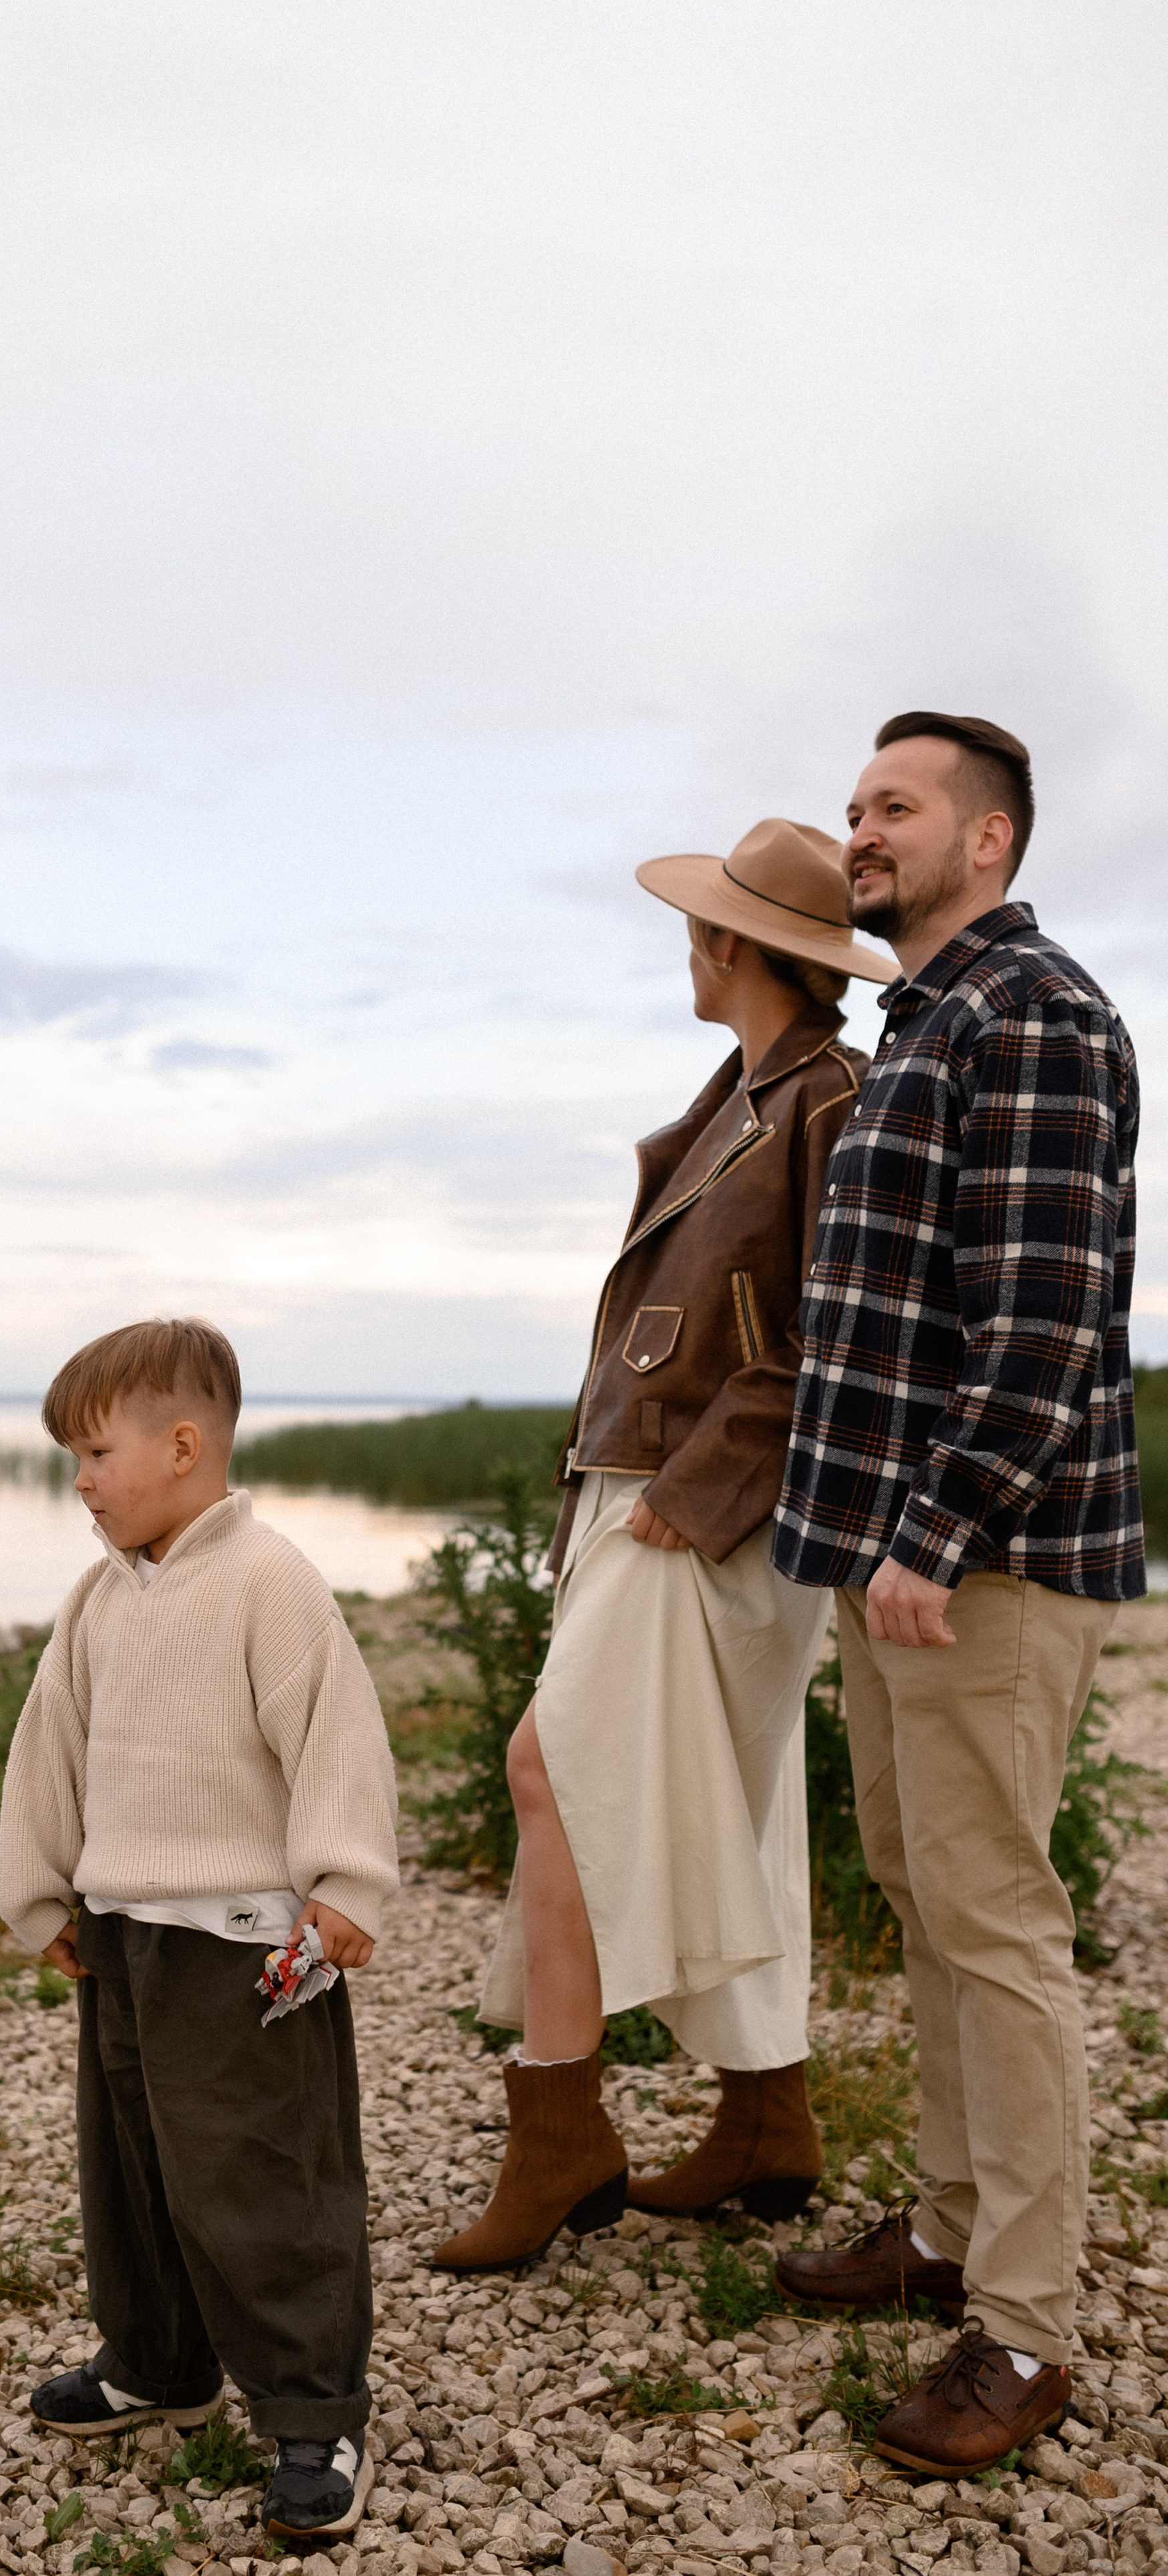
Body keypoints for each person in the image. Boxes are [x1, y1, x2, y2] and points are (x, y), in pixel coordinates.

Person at [433, 819, 890, 2274]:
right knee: (733, 1804)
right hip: (655, 1497)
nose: (682, 945)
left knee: (546, 1764)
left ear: (739, 948)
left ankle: (558, 2129)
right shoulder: (739, 1096)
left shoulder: (828, 1100)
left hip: (706, 1512)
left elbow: (835, 1338)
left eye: (701, 927)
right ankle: (766, 2115)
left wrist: (687, 1491)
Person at [772, 713, 1145, 2473]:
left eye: (894, 807)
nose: (864, 831)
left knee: (997, 1925)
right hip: (894, 1553)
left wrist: (934, 1527)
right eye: (854, 807)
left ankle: (1026, 2329)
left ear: (986, 838)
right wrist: (869, 1541)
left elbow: (1049, 1319)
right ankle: (941, 2224)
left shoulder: (1038, 1015)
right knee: (927, 1895)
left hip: (982, 1560)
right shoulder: (928, 1019)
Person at [0, 1317, 399, 2542]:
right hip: (125, 1935)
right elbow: (47, 1742)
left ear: (183, 1446)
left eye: (96, 1453)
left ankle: (312, 2408)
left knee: (262, 2172)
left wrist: (347, 1885)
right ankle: (159, 2360)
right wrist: (44, 1890)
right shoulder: (99, 1598)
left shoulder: (268, 1581)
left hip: (243, 1947)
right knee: (135, 2163)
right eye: (70, 1458)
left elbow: (338, 1733)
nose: (81, 1481)